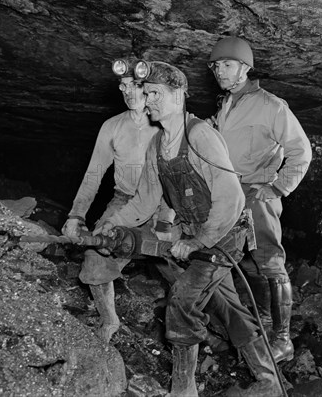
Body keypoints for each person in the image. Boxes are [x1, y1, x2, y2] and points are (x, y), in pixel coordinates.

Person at [96, 61, 282, 397]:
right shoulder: (157, 145)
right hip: (199, 235)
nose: (148, 99)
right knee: (228, 307)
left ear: (178, 95)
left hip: (225, 235)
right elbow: (144, 200)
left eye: (155, 93)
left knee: (182, 300)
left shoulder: (199, 135)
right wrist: (112, 222)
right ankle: (267, 380)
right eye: (146, 92)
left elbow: (231, 198)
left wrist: (198, 241)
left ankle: (185, 389)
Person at [207, 36, 312, 363]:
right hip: (229, 195)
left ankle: (283, 340)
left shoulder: (271, 106)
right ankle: (264, 324)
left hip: (257, 193)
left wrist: (278, 188)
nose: (219, 71)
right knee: (249, 262)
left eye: (227, 65)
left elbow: (301, 151)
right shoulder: (226, 104)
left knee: (269, 262)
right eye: (216, 66)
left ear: (246, 68)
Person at [62, 59, 163, 343]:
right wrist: (76, 215)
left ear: (151, 88)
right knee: (96, 254)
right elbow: (94, 173)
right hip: (125, 200)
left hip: (164, 203)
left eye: (137, 86)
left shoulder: (166, 125)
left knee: (186, 261)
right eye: (124, 86)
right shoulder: (112, 126)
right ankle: (109, 321)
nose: (129, 93)